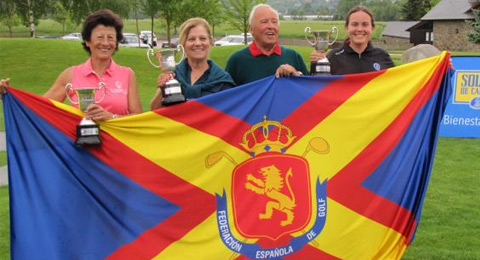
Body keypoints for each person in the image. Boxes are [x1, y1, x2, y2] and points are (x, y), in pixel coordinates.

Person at [1, 9, 142, 120]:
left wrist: (110, 117)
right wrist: (10, 95)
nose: (105, 43)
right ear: (88, 41)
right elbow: (40, 107)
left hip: (116, 153)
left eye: (111, 37)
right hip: (80, 153)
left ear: (116, 42)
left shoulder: (127, 74)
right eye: (99, 37)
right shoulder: (71, 75)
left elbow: (138, 118)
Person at [150, 17, 235, 110]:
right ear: (183, 44)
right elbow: (153, 112)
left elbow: (231, 115)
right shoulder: (173, 75)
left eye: (203, 38)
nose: (197, 43)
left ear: (210, 42)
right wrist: (162, 88)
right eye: (191, 39)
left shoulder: (222, 80)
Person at [225, 4, 309, 86]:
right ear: (251, 29)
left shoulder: (293, 56)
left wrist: (296, 75)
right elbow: (227, 97)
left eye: (274, 22)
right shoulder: (237, 61)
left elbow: (309, 90)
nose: (271, 26)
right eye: (264, 22)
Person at [310, 6, 395, 75]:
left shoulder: (383, 56)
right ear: (347, 27)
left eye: (365, 24)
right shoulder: (333, 57)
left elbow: (396, 86)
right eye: (354, 24)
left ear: (372, 28)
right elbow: (318, 88)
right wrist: (315, 65)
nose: (360, 29)